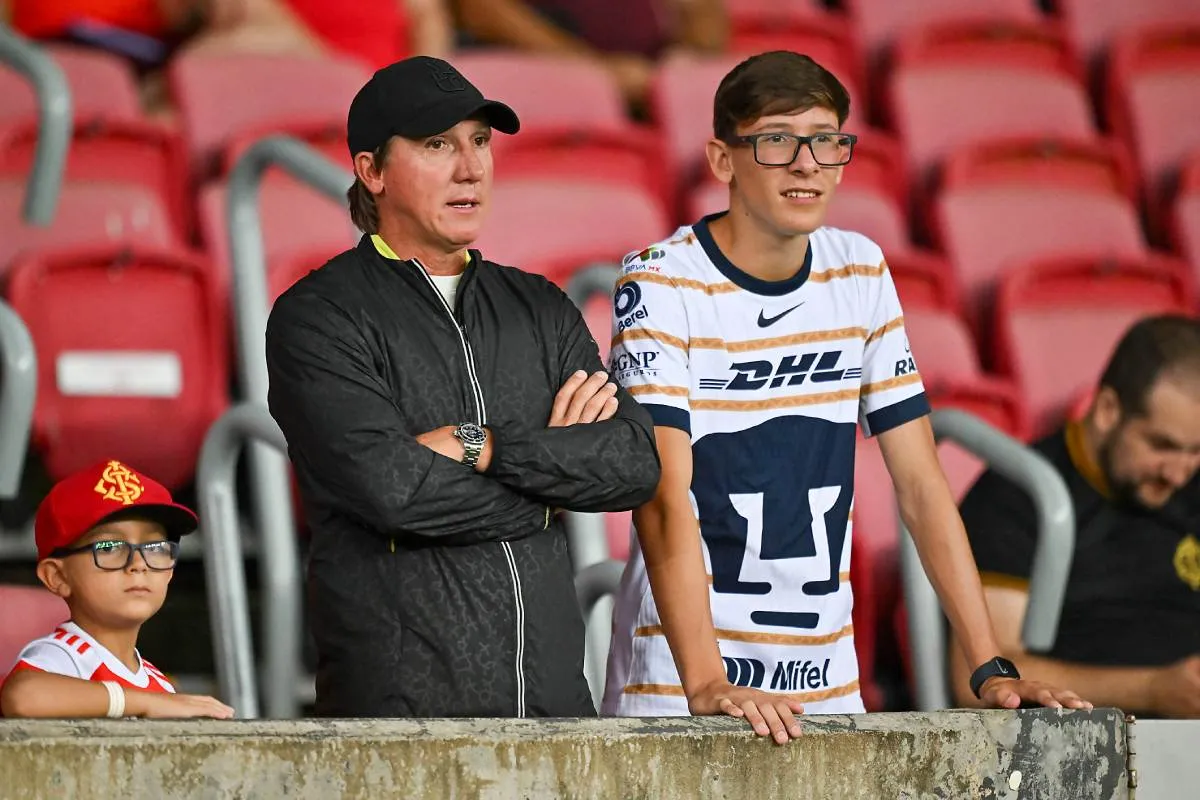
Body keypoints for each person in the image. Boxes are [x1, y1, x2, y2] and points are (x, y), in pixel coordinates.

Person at [602, 50, 1090, 743]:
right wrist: (706, 681)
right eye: (776, 141)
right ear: (721, 159)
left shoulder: (859, 267)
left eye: (828, 141)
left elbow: (921, 483)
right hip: (682, 685)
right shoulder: (660, 280)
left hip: (824, 685)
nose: (808, 164)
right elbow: (661, 495)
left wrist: (990, 665)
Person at [265, 55, 661, 718]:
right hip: (401, 726)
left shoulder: (539, 304)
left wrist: (483, 448)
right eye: (436, 145)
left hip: (556, 716)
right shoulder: (319, 316)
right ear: (371, 171)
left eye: (479, 141)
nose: (471, 167)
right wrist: (549, 498)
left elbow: (632, 463)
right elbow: (394, 491)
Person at [953, 315, 1200, 717]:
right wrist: (1154, 690)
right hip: (1091, 747)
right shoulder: (1015, 496)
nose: (1177, 472)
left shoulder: (1191, 485)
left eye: (1195, 451)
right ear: (1106, 409)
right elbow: (983, 680)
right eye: (1162, 445)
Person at [0, 460, 234, 719]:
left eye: (155, 549)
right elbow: (23, 696)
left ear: (169, 571)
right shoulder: (65, 655)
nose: (138, 564)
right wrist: (141, 703)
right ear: (57, 577)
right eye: (109, 547)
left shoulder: (161, 687)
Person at [452, 0, 727, 108]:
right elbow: (482, 12)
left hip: (652, 83)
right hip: (542, 94)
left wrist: (685, 62)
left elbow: (704, 26)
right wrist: (596, 74)